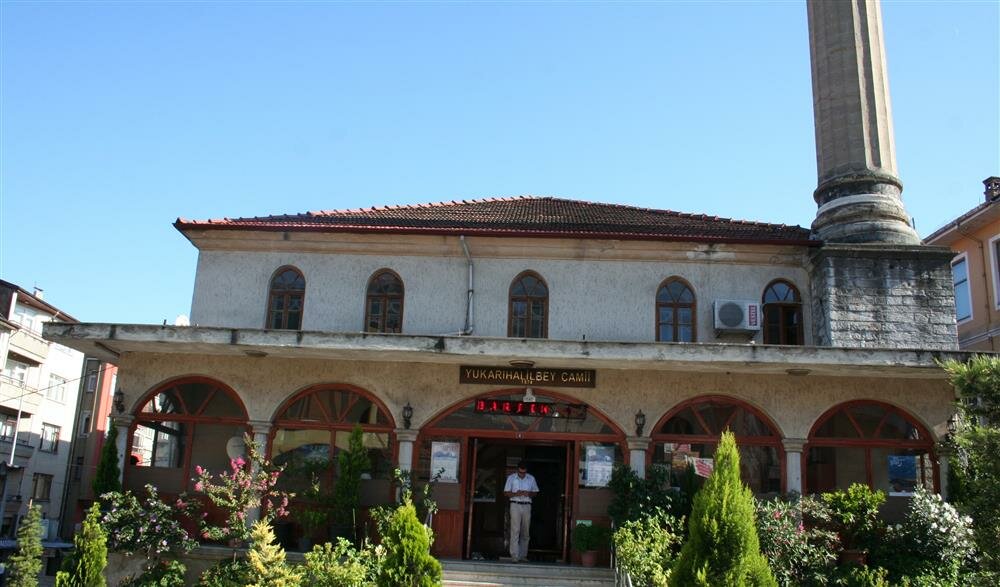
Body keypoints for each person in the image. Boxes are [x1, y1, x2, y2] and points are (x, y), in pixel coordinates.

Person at [503, 459, 539, 563]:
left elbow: (536, 492)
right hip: (515, 504)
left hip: (527, 505)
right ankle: (514, 555)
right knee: (515, 530)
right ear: (517, 470)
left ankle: (523, 555)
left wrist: (529, 493)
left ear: (526, 471)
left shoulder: (531, 478)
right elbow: (506, 492)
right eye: (520, 472)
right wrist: (516, 493)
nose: (522, 474)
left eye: (524, 472)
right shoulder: (511, 478)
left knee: (525, 531)